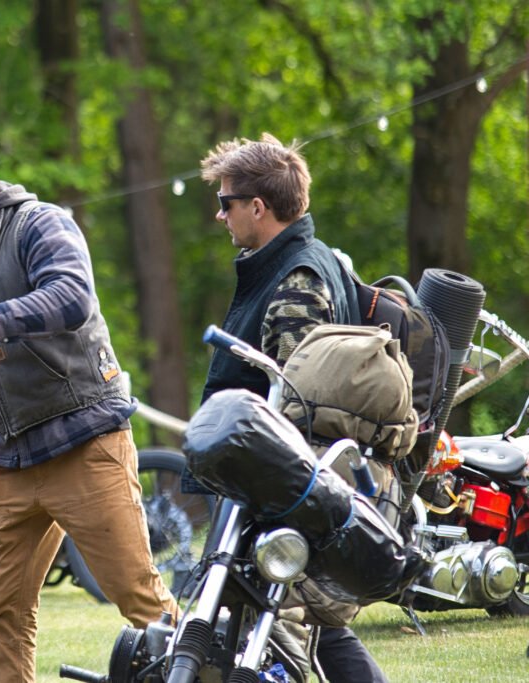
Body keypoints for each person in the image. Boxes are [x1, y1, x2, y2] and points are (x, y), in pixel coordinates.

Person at [0, 128, 178, 682]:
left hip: (85, 440)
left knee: (139, 598)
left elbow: (71, 297)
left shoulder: (41, 223)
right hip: (12, 458)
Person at [198, 132, 387, 683]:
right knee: (318, 627)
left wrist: (268, 491)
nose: (220, 215)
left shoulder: (297, 279)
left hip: (285, 483)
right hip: (296, 481)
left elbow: (296, 405)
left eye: (226, 203)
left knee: (273, 625)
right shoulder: (307, 260)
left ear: (258, 207)